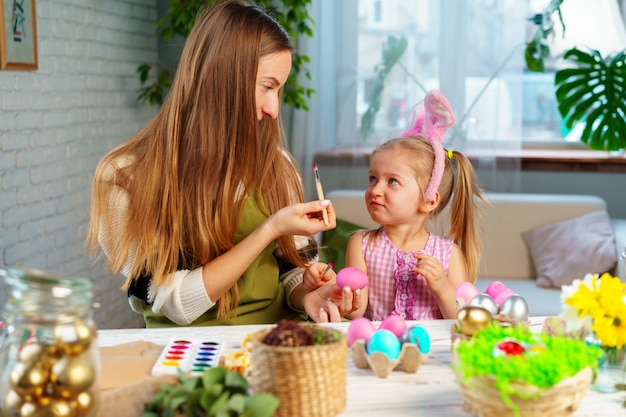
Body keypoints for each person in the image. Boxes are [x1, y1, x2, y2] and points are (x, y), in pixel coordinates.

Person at [86, 0, 361, 327]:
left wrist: (309, 293)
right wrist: (270, 228)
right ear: (221, 77)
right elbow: (175, 303)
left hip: (274, 339)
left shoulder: (277, 167)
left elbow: (292, 274)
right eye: (266, 87)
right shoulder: (122, 179)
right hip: (186, 357)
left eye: (279, 90)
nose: (274, 108)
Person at [344, 90, 487, 321]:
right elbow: (356, 314)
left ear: (429, 200)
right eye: (373, 178)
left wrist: (442, 286)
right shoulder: (361, 245)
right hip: (381, 351)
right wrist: (346, 301)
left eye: (392, 181)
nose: (375, 190)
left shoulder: (449, 254)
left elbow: (462, 319)